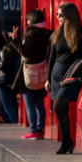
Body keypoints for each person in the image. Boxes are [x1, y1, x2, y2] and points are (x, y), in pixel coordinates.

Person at [47, 3, 82, 154]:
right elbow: (51, 58)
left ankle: (66, 141)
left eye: (61, 15)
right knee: (61, 107)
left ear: (70, 15)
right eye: (57, 14)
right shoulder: (56, 34)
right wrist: (47, 79)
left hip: (73, 76)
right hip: (56, 76)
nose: (58, 17)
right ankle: (67, 141)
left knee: (59, 105)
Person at [10, 9, 52, 140]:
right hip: (43, 71)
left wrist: (14, 40)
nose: (27, 22)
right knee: (40, 103)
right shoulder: (47, 34)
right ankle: (40, 130)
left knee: (29, 103)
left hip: (29, 72)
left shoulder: (31, 33)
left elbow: (25, 52)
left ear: (32, 20)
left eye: (28, 20)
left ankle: (33, 130)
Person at [0, 40, 21, 124]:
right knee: (6, 103)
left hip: (3, 80)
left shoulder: (4, 51)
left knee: (7, 105)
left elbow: (3, 65)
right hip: (11, 80)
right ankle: (5, 120)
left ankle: (15, 122)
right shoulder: (16, 52)